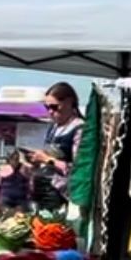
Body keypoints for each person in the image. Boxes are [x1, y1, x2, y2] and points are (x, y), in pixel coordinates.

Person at [29, 81, 84, 211]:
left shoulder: (79, 128)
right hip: (42, 188)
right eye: (46, 108)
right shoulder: (53, 127)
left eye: (54, 107)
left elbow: (78, 169)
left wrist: (48, 160)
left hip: (61, 193)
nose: (50, 112)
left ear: (69, 102)